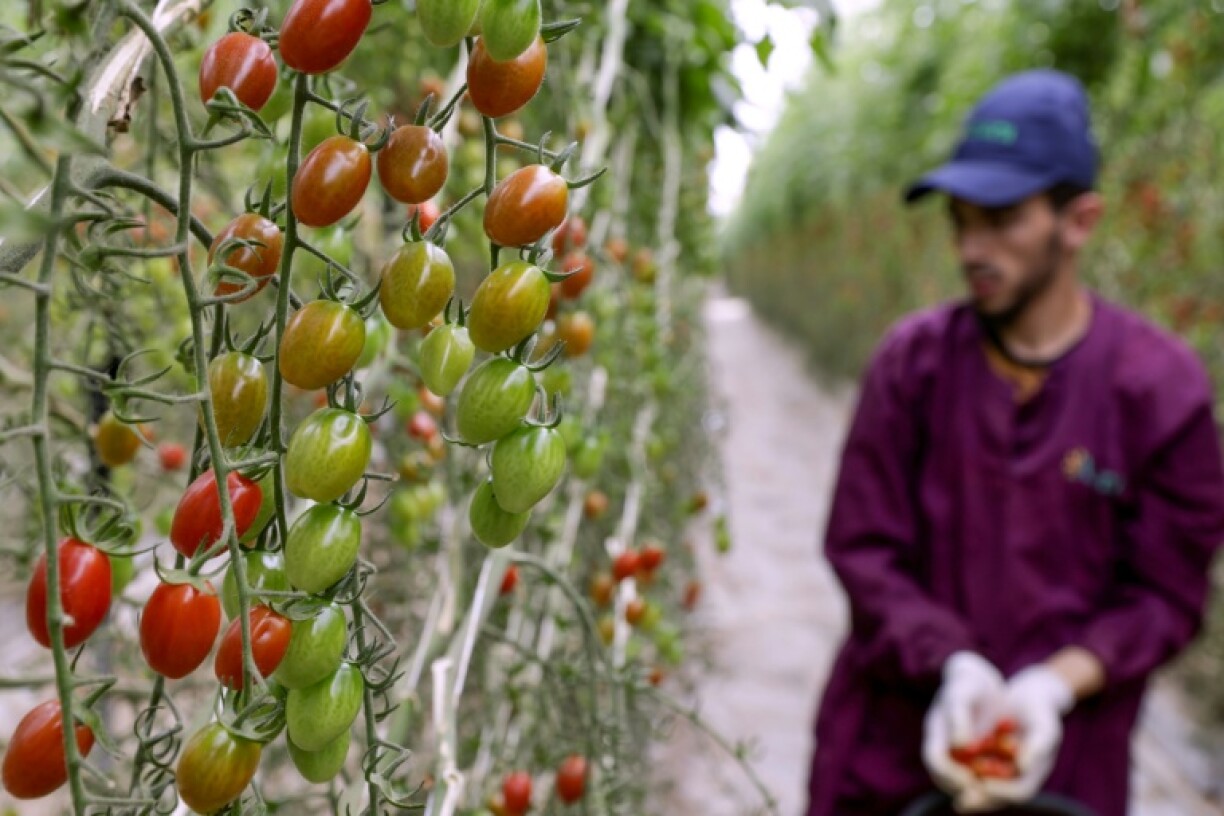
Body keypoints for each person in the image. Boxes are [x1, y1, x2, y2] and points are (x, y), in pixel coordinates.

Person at [804, 68, 1224, 816]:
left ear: (1080, 220)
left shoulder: (1160, 391)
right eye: (961, 221)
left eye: (1001, 219)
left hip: (1062, 767)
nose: (973, 247)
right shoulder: (914, 364)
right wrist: (953, 662)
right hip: (889, 753)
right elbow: (862, 546)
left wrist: (1055, 684)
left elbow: (1167, 593)